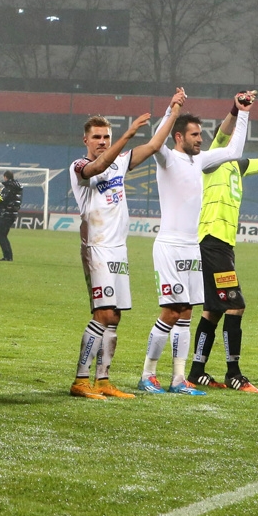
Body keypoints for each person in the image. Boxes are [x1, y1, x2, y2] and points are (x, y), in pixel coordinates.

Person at [138, 91, 253, 396]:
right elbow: (155, 141)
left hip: (193, 246)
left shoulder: (202, 160)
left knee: (187, 312)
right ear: (179, 137)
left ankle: (178, 379)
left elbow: (235, 148)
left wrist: (242, 112)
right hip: (170, 245)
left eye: (201, 134)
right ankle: (148, 373)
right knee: (171, 311)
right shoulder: (167, 157)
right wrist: (172, 109)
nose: (200, 139)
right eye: (194, 134)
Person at [68, 93, 183, 399]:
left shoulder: (120, 161)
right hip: (97, 248)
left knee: (114, 316)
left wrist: (173, 111)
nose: (103, 142)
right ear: (85, 140)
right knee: (103, 313)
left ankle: (103, 380)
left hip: (119, 249)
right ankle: (81, 380)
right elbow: (99, 167)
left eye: (106, 136)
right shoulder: (79, 166)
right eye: (97, 137)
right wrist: (128, 134)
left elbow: (156, 144)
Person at [186, 101, 258, 393]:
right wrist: (236, 111)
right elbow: (223, 134)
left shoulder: (238, 166)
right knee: (236, 305)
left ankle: (197, 370)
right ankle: (234, 373)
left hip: (223, 246)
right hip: (212, 241)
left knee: (213, 310)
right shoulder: (210, 161)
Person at [0, 171, 22, 261]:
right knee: (3, 235)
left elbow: (2, 199)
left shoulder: (8, 187)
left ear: (5, 177)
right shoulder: (17, 187)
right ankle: (8, 256)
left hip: (5, 213)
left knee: (0, 235)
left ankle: (7, 256)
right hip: (13, 214)